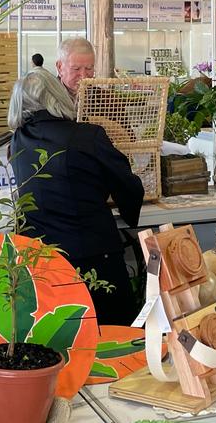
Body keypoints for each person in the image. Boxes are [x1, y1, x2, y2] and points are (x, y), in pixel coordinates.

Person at [8, 67, 144, 325]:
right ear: (59, 95)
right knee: (113, 334)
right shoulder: (88, 135)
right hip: (94, 260)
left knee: (60, 336)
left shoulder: (18, 140)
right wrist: (128, 209)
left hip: (41, 262)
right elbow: (128, 186)